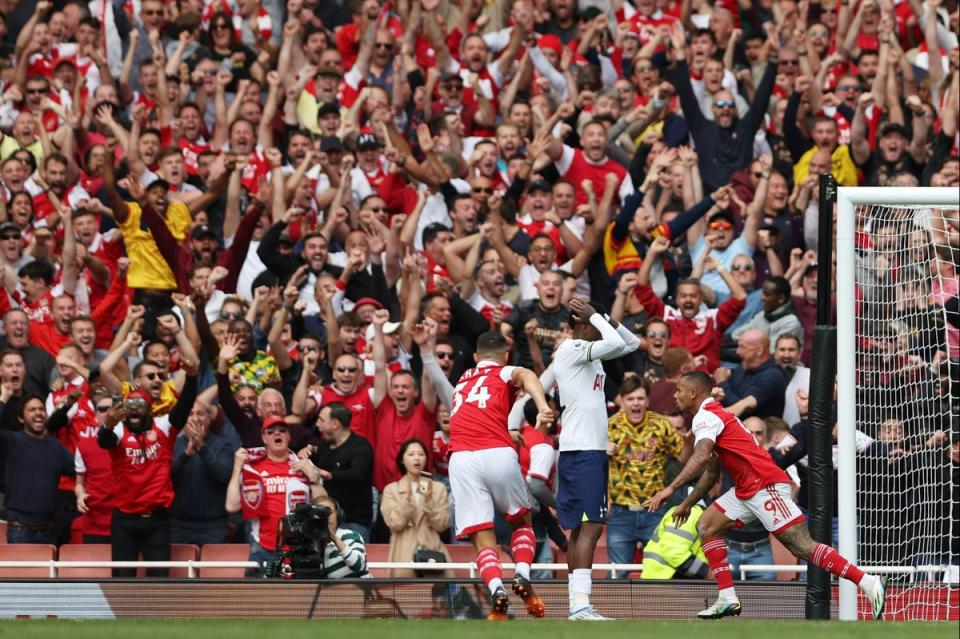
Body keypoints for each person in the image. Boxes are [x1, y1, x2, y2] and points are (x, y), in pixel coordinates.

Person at [645, 371, 887, 620]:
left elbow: (700, 456)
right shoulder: (714, 415)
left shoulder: (706, 417)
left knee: (802, 547)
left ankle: (868, 582)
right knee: (706, 526)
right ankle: (727, 598)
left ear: (693, 393)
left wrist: (670, 489)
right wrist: (686, 503)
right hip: (745, 489)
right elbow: (711, 471)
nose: (675, 396)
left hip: (765, 485)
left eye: (679, 391)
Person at [447, 330, 553, 621]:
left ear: (474, 357)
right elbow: (528, 375)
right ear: (505, 356)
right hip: (496, 452)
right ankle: (521, 574)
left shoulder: (463, 379)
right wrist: (542, 407)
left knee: (482, 535)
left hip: (461, 458)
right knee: (521, 520)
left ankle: (496, 590)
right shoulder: (505, 371)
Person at [553, 298, 639, 619]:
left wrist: (606, 319)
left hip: (585, 449)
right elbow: (617, 342)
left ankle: (577, 605)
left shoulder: (590, 355)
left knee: (580, 529)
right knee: (591, 527)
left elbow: (631, 343)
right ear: (581, 323)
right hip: (585, 450)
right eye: (592, 321)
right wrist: (595, 317)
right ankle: (581, 604)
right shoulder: (572, 349)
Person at [606, 375, 691, 575]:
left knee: (659, 572)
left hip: (654, 510)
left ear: (647, 401)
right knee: (617, 575)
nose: (636, 403)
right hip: (620, 513)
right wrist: (599, 452)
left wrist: (688, 441)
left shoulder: (661, 425)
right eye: (630, 399)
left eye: (640, 398)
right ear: (623, 401)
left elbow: (683, 459)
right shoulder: (609, 426)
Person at [225, 416, 324, 577]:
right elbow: (231, 505)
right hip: (263, 547)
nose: (277, 434)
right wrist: (237, 468)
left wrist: (313, 478)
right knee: (261, 599)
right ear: (264, 438)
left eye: (282, 430)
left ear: (289, 436)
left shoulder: (303, 465)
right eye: (270, 432)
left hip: (299, 548)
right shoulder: (252, 468)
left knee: (299, 599)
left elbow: (323, 506)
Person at [0, 393, 75, 543]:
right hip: (20, 531)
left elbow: (80, 471)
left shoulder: (55, 446)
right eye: (32, 409)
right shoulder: (11, 441)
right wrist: (3, 398)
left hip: (50, 531)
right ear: (21, 418)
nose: (38, 413)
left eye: (41, 409)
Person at [379, 438, 452, 577]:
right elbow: (395, 524)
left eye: (421, 454)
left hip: (433, 553)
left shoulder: (438, 488)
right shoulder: (392, 490)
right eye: (411, 454)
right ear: (402, 460)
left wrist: (429, 499)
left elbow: (442, 525)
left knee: (438, 596)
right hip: (403, 553)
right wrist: (406, 496)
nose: (416, 458)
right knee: (406, 596)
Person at [306, 401, 374, 542]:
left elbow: (357, 474)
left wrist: (330, 475)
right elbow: (316, 463)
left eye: (322, 420)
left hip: (354, 522)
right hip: (327, 519)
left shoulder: (361, 446)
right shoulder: (324, 445)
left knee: (352, 560)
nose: (317, 425)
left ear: (335, 424)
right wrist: (308, 451)